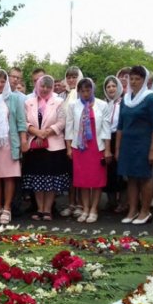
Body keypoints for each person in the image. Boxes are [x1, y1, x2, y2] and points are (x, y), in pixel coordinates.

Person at [116, 66, 153, 225]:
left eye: (138, 79)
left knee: (144, 177)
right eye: (132, 79)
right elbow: (120, 126)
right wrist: (117, 149)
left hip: (144, 144)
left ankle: (145, 211)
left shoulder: (150, 98)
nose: (134, 82)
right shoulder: (126, 99)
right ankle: (132, 210)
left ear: (144, 81)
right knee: (131, 178)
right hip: (127, 145)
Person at [65, 78, 112, 223]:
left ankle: (94, 209)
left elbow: (106, 128)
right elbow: (69, 127)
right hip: (80, 147)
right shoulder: (73, 105)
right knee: (83, 180)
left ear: (93, 89)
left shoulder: (102, 105)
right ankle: (85, 208)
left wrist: (108, 150)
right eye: (83, 91)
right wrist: (68, 148)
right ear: (78, 91)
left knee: (96, 180)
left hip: (97, 147)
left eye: (88, 90)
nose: (85, 93)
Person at [23, 75, 69, 221]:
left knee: (51, 179)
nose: (45, 89)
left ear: (52, 88)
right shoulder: (28, 102)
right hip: (34, 145)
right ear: (37, 86)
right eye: (42, 86)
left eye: (48, 87)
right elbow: (23, 122)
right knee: (37, 178)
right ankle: (39, 208)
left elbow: (62, 121)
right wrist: (36, 133)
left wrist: (47, 132)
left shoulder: (59, 102)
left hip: (54, 146)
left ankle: (48, 209)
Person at [0, 69, 27, 224]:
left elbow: (21, 121)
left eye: (3, 81)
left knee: (9, 176)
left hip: (10, 141)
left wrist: (23, 141)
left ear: (7, 82)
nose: (0, 84)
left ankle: (7, 208)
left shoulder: (15, 98)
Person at [58, 66, 84, 218]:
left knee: (79, 173)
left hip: (79, 139)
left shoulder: (83, 94)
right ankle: (71, 203)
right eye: (69, 77)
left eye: (74, 77)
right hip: (63, 138)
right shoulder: (61, 96)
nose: (71, 80)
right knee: (70, 174)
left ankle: (80, 203)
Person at [102, 76, 126, 213]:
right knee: (108, 171)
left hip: (120, 138)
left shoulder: (124, 103)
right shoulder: (102, 104)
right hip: (105, 139)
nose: (111, 89)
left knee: (121, 172)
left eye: (113, 86)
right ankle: (111, 202)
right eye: (108, 87)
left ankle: (123, 203)